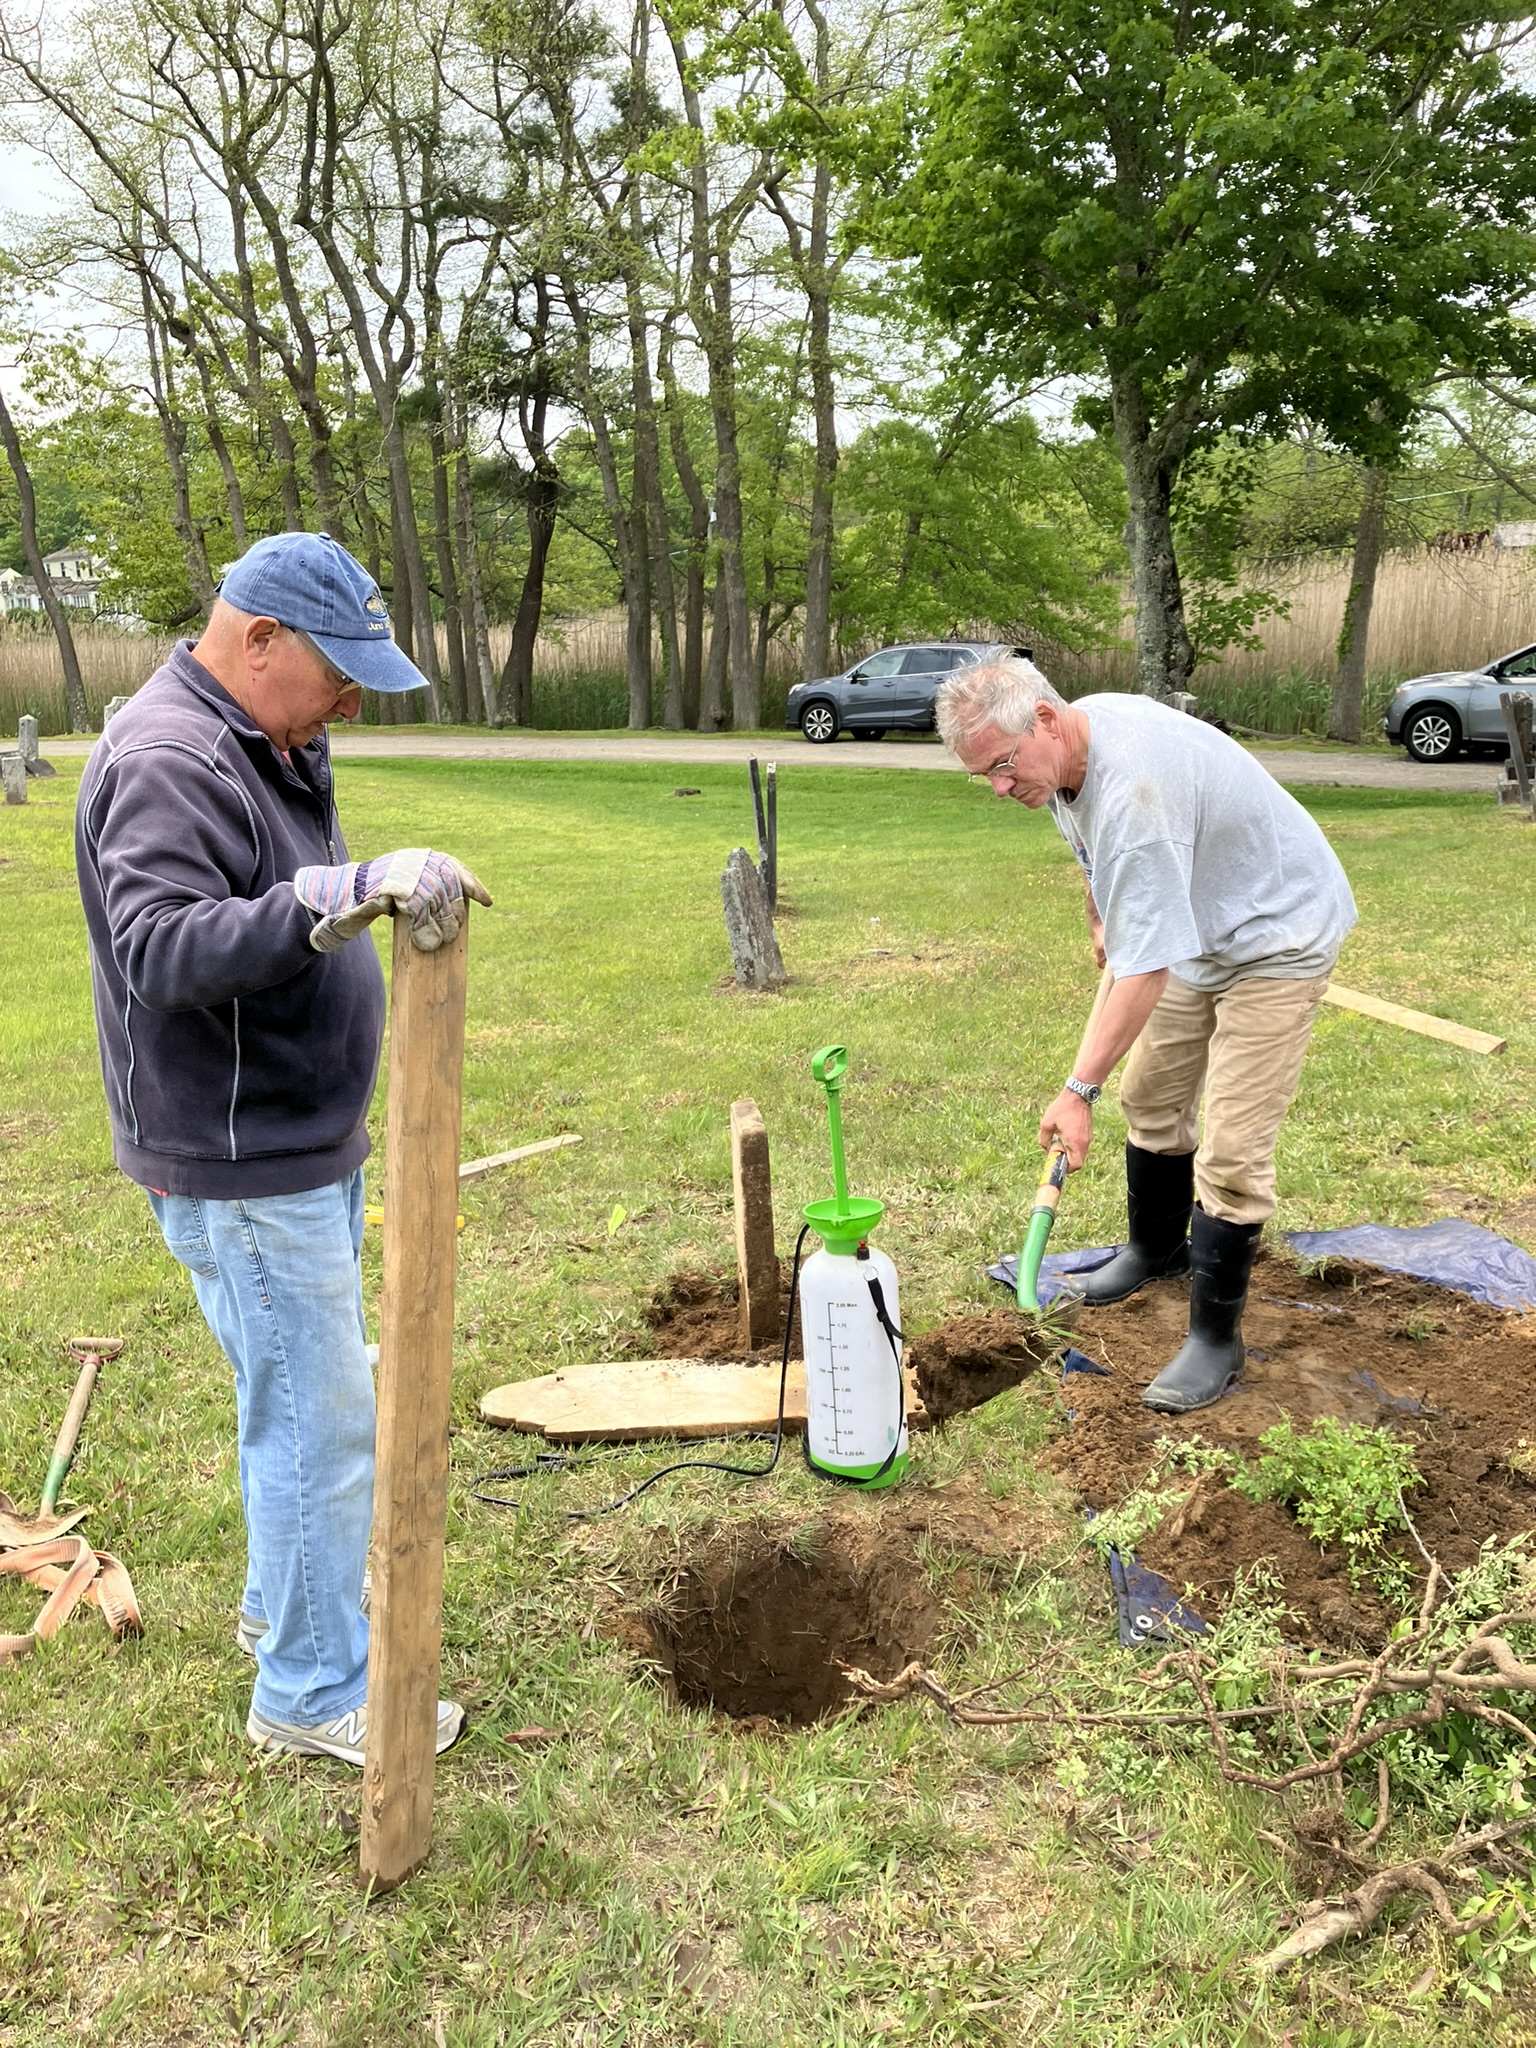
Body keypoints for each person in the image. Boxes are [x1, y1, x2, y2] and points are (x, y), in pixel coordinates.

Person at [75, 531, 491, 1765]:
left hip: (288, 1139)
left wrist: (347, 888)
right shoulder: (169, 755)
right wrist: (340, 892)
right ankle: (311, 1689)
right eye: (338, 671)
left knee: (303, 1399)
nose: (352, 697)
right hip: (240, 1154)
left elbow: (265, 886)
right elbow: (159, 945)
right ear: (258, 640)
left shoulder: (264, 734)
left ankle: (285, 1613)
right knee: (320, 1416)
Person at [937, 656, 1356, 1415]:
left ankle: (1213, 1339)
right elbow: (1092, 845)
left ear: (1044, 720)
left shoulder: (1134, 791)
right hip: (1200, 924)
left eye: (1002, 767)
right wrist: (1102, 909)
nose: (1000, 788)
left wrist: (1076, 1092)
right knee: (1153, 1095)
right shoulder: (1066, 751)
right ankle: (1156, 1250)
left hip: (1277, 934)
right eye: (983, 777)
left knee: (1232, 1148)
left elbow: (1142, 973)